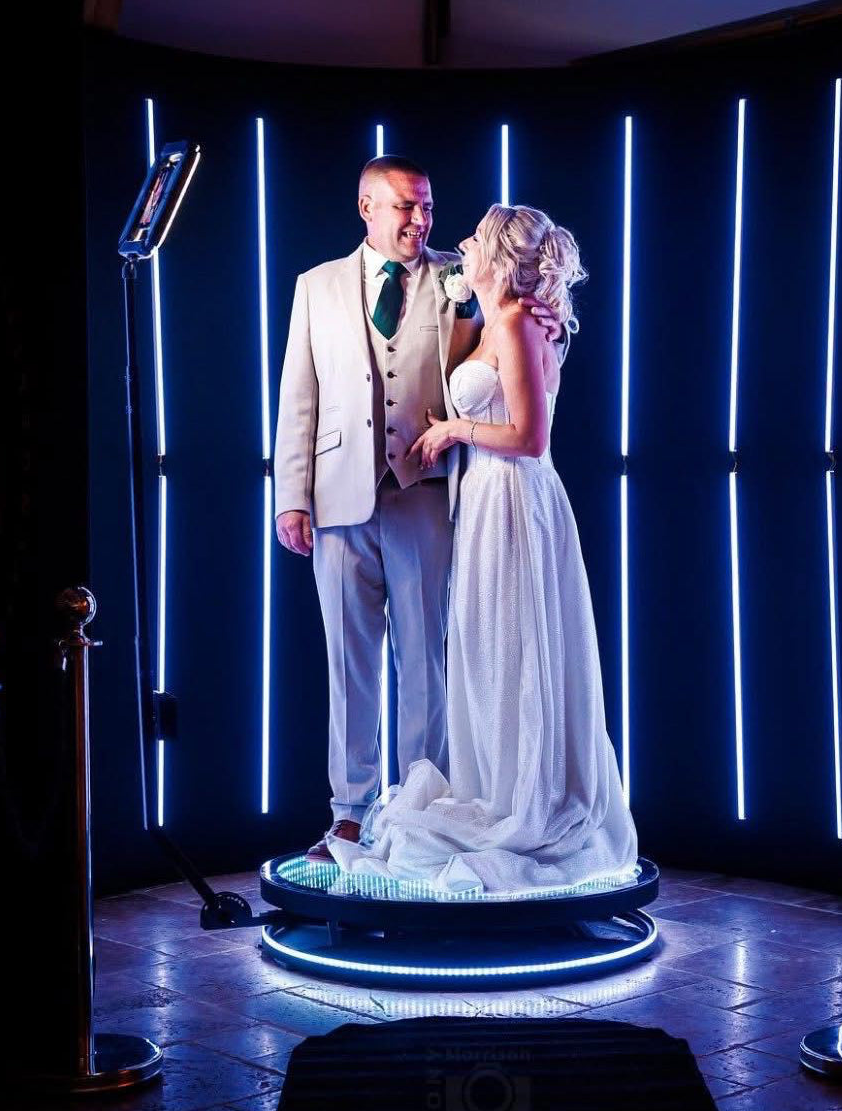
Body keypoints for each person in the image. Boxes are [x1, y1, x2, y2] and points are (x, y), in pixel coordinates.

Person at [326, 204, 639, 894]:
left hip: (514, 499)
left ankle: (525, 799)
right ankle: (499, 784)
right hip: (484, 499)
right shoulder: (495, 319)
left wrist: (452, 431)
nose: (459, 246)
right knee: (491, 650)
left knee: (515, 648)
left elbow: (529, 436)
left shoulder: (521, 323)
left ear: (496, 257)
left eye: (472, 240)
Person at [273, 158, 565, 862]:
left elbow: (509, 350)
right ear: (367, 207)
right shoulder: (316, 285)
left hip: (427, 496)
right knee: (348, 668)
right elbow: (298, 396)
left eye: (428, 206)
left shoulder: (464, 277)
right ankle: (349, 815)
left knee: (426, 664)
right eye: (406, 206)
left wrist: (545, 321)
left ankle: (419, 809)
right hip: (337, 497)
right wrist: (291, 497)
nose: (421, 219)